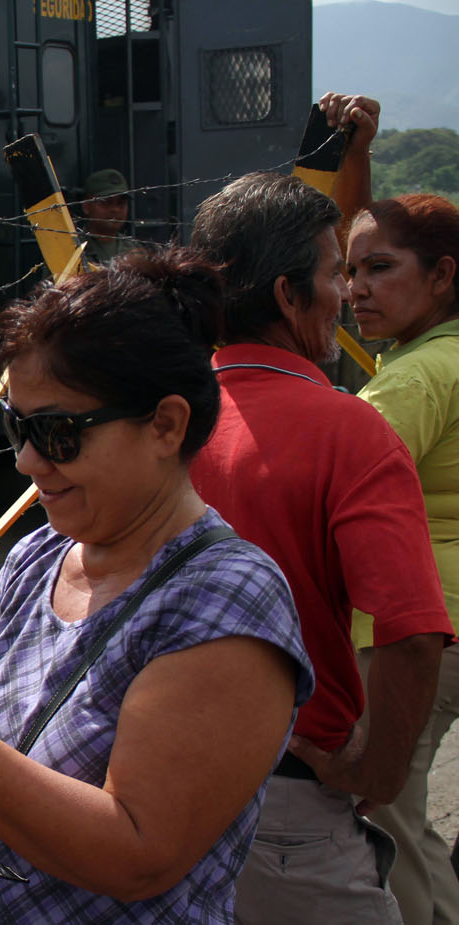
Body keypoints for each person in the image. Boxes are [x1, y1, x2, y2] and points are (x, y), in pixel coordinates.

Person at [0, 249, 313, 921]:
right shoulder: (40, 557)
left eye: (58, 433)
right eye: (18, 425)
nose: (25, 459)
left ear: (166, 424)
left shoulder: (226, 601)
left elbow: (137, 856)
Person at [189, 170, 452, 923]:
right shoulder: (350, 430)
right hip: (289, 802)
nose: (348, 295)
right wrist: (380, 764)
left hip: (150, 775)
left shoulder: (165, 419)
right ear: (287, 295)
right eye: (338, 272)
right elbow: (411, 634)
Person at [347, 193, 459, 925]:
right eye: (350, 269)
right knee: (414, 828)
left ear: (443, 274)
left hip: (409, 631)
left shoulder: (414, 378)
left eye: (380, 268)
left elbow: (340, 482)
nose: (356, 288)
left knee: (384, 824)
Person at [79, 168, 133, 266]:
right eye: (106, 202)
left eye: (121, 203)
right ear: (86, 206)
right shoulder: (72, 250)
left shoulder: (135, 252)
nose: (116, 209)